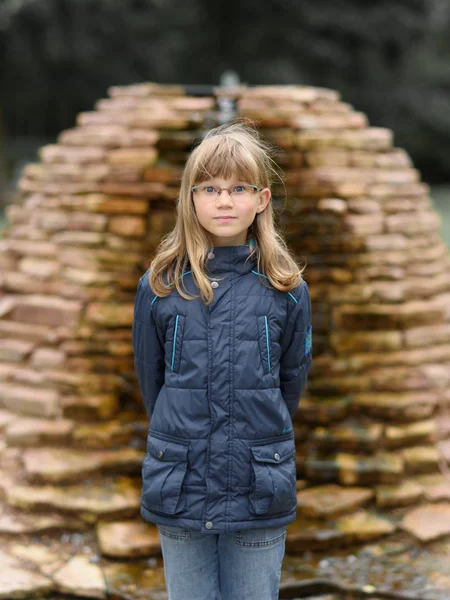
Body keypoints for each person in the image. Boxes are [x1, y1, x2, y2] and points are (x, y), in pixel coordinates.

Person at [132, 121, 313, 600]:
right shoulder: (160, 285)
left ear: (262, 199)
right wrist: (183, 435)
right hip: (181, 481)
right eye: (209, 188)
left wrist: (253, 434)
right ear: (190, 199)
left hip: (259, 483)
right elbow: (152, 383)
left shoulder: (287, 289)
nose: (225, 200)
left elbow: (289, 381)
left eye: (238, 188)